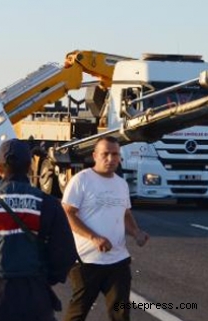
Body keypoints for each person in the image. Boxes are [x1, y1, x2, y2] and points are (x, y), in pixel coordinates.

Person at [0, 139, 77, 321]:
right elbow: (65, 253)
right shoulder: (48, 204)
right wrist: (43, 278)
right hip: (35, 298)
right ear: (29, 167)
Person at [61, 136, 150, 321]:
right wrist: (94, 238)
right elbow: (68, 213)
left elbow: (125, 214)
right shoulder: (81, 180)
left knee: (121, 314)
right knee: (78, 313)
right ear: (95, 155)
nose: (110, 159)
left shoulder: (121, 184)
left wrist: (136, 232)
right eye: (105, 154)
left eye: (115, 154)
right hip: (86, 261)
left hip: (118, 261)